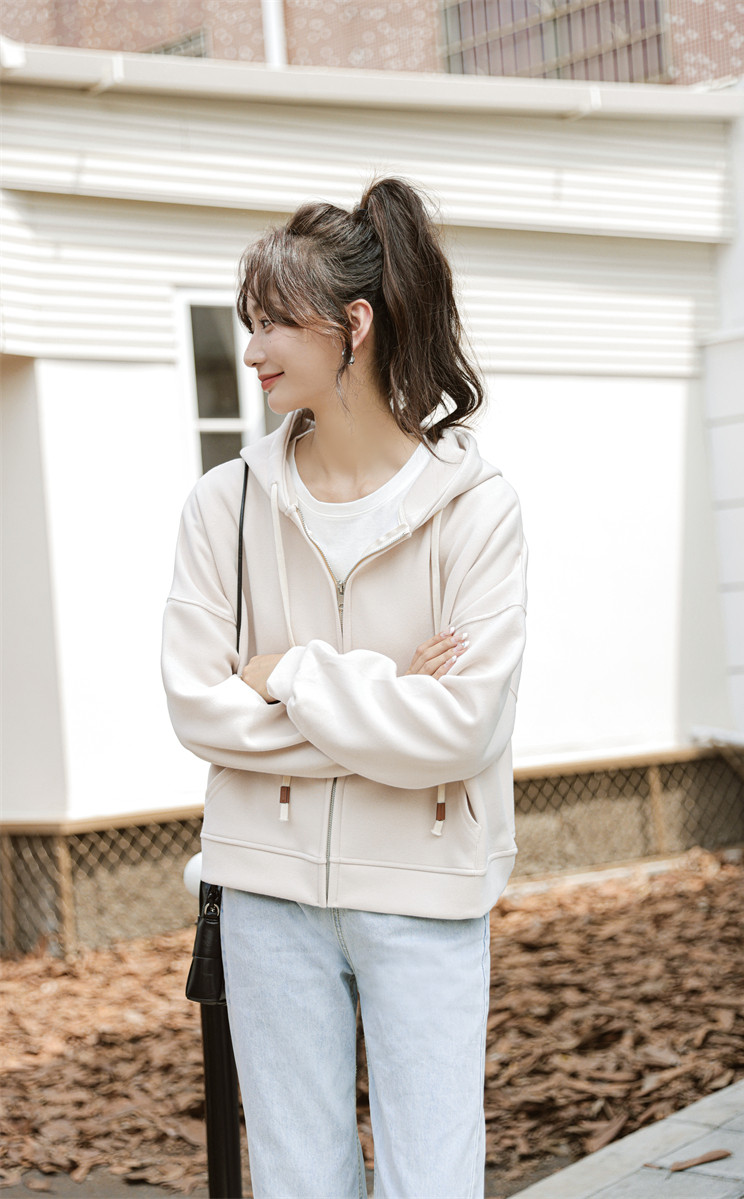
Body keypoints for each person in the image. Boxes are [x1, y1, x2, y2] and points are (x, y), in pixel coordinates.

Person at [161, 175, 527, 1199]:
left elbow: (461, 728)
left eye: (273, 322)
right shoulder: (224, 505)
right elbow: (197, 705)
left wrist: (287, 675)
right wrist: (386, 705)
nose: (252, 350)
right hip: (265, 888)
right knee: (296, 1179)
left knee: (431, 1178)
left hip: (424, 886)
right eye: (249, 324)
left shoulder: (474, 506)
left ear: (352, 325)